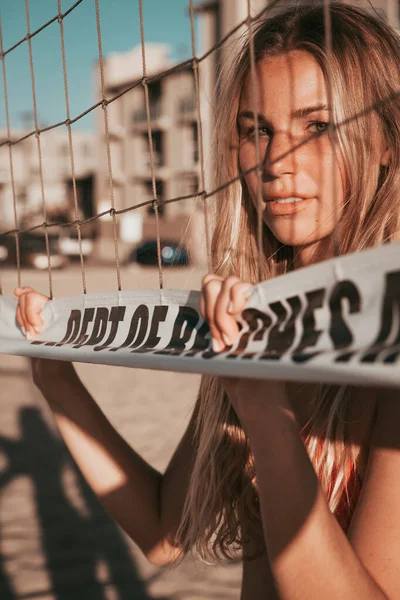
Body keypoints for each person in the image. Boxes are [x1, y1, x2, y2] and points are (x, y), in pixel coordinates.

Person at [14, 3, 400, 598]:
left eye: (318, 126)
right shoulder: (246, 312)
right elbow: (164, 533)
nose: (277, 162)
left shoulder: (389, 337)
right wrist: (56, 380)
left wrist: (263, 406)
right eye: (256, 130)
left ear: (387, 146)